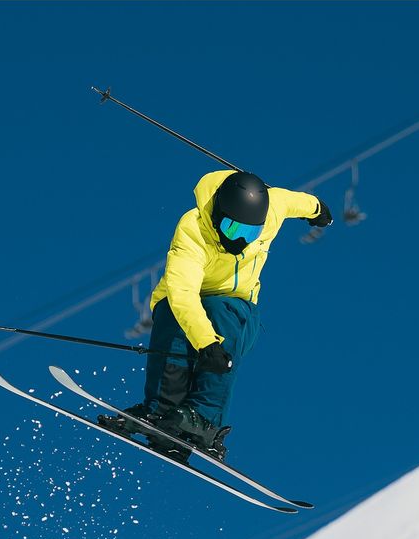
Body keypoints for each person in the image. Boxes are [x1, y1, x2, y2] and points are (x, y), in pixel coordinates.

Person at [99, 170, 332, 462]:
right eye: (234, 230)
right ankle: (161, 411)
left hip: (237, 310)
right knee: (172, 308)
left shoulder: (272, 208)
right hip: (187, 300)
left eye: (251, 233)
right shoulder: (193, 230)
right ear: (218, 215)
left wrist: (319, 210)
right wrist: (206, 343)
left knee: (223, 310)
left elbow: (298, 202)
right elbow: (183, 292)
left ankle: (204, 420)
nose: (242, 241)